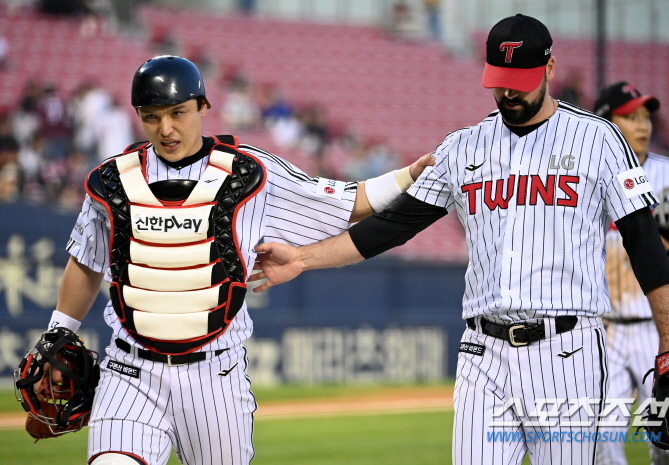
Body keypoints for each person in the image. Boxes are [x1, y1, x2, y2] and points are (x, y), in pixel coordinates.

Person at [251, 14, 669, 465]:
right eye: (500, 80)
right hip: (483, 353)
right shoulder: (462, 148)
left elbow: (643, 242)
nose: (508, 92)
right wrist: (303, 258)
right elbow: (389, 227)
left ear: (550, 68)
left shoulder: (598, 139)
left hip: (568, 351)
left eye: (520, 80)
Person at [36, 55, 434, 465]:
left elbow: (351, 202)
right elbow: (86, 262)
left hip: (216, 378)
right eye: (151, 116)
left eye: (178, 113)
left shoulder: (251, 173)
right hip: (129, 372)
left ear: (203, 107)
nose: (166, 128)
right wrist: (56, 336)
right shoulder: (112, 181)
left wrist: (408, 175)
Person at [594, 82, 669, 465]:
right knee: (601, 440)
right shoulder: (588, 179)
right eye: (631, 117)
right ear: (605, 121)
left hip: (659, 329)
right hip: (604, 330)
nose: (643, 126)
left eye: (646, 117)